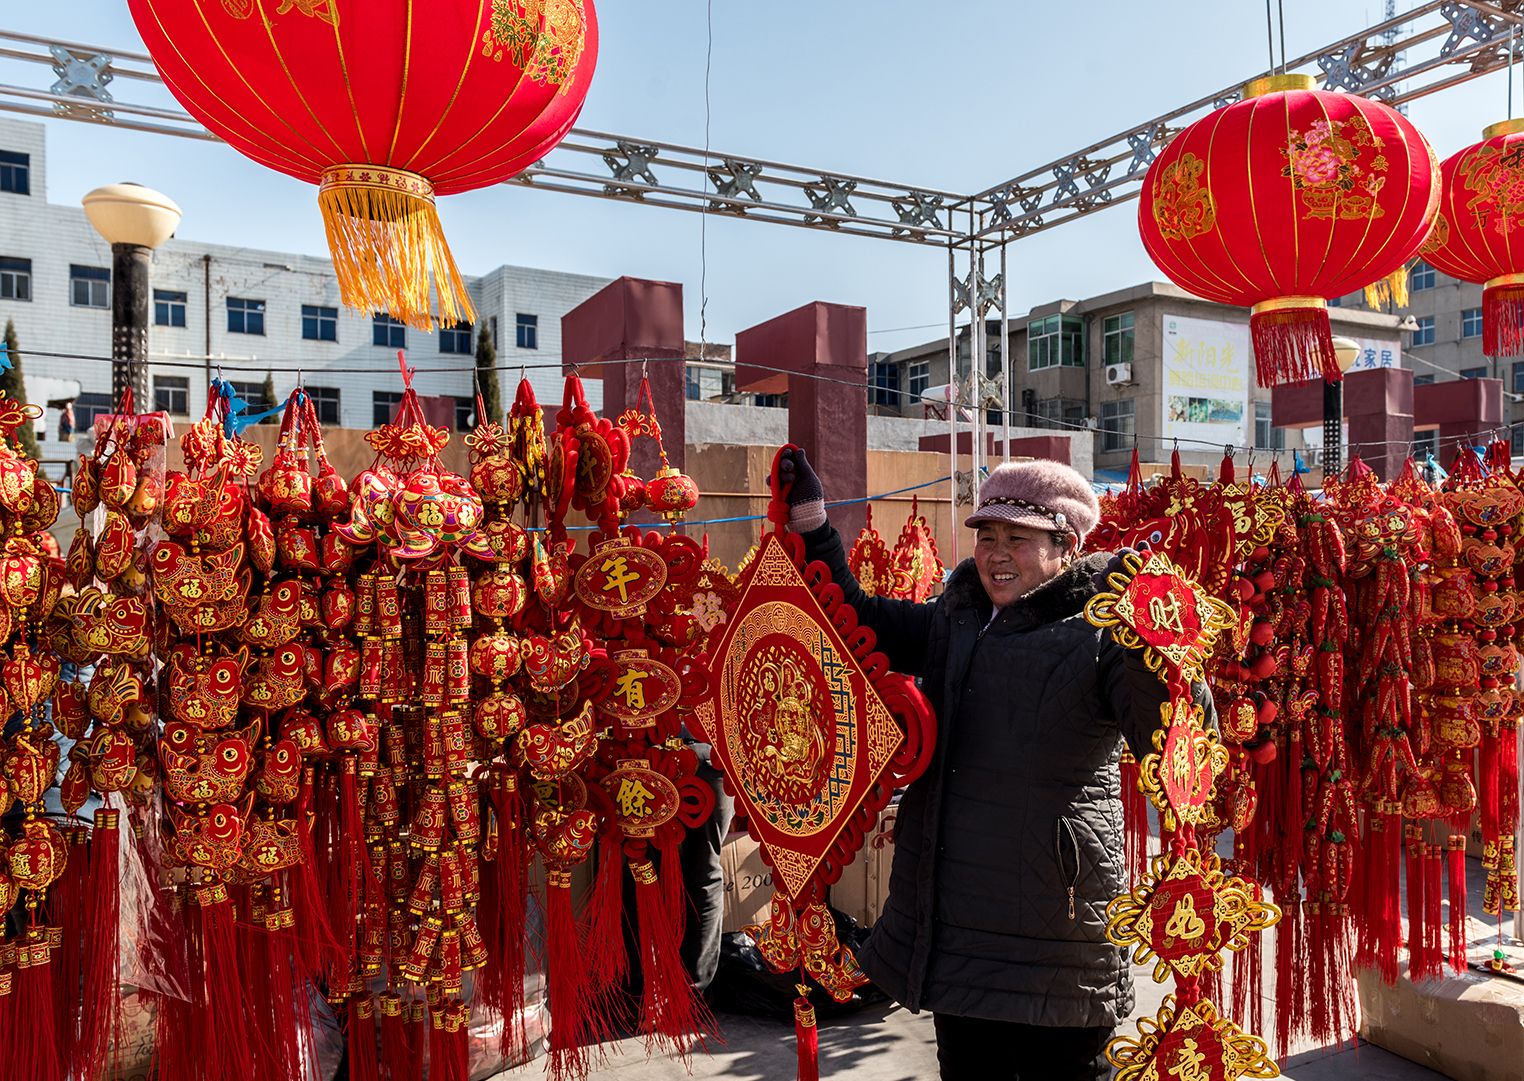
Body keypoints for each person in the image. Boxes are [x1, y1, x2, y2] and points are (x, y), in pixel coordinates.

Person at [777, 448, 1210, 1081]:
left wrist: (1170, 649)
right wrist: (815, 525)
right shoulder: (958, 618)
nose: (996, 553)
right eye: (987, 536)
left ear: (1065, 545)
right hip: (955, 931)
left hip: (1057, 932)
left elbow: (1179, 750)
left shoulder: (1108, 631)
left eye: (1018, 538)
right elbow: (856, 621)